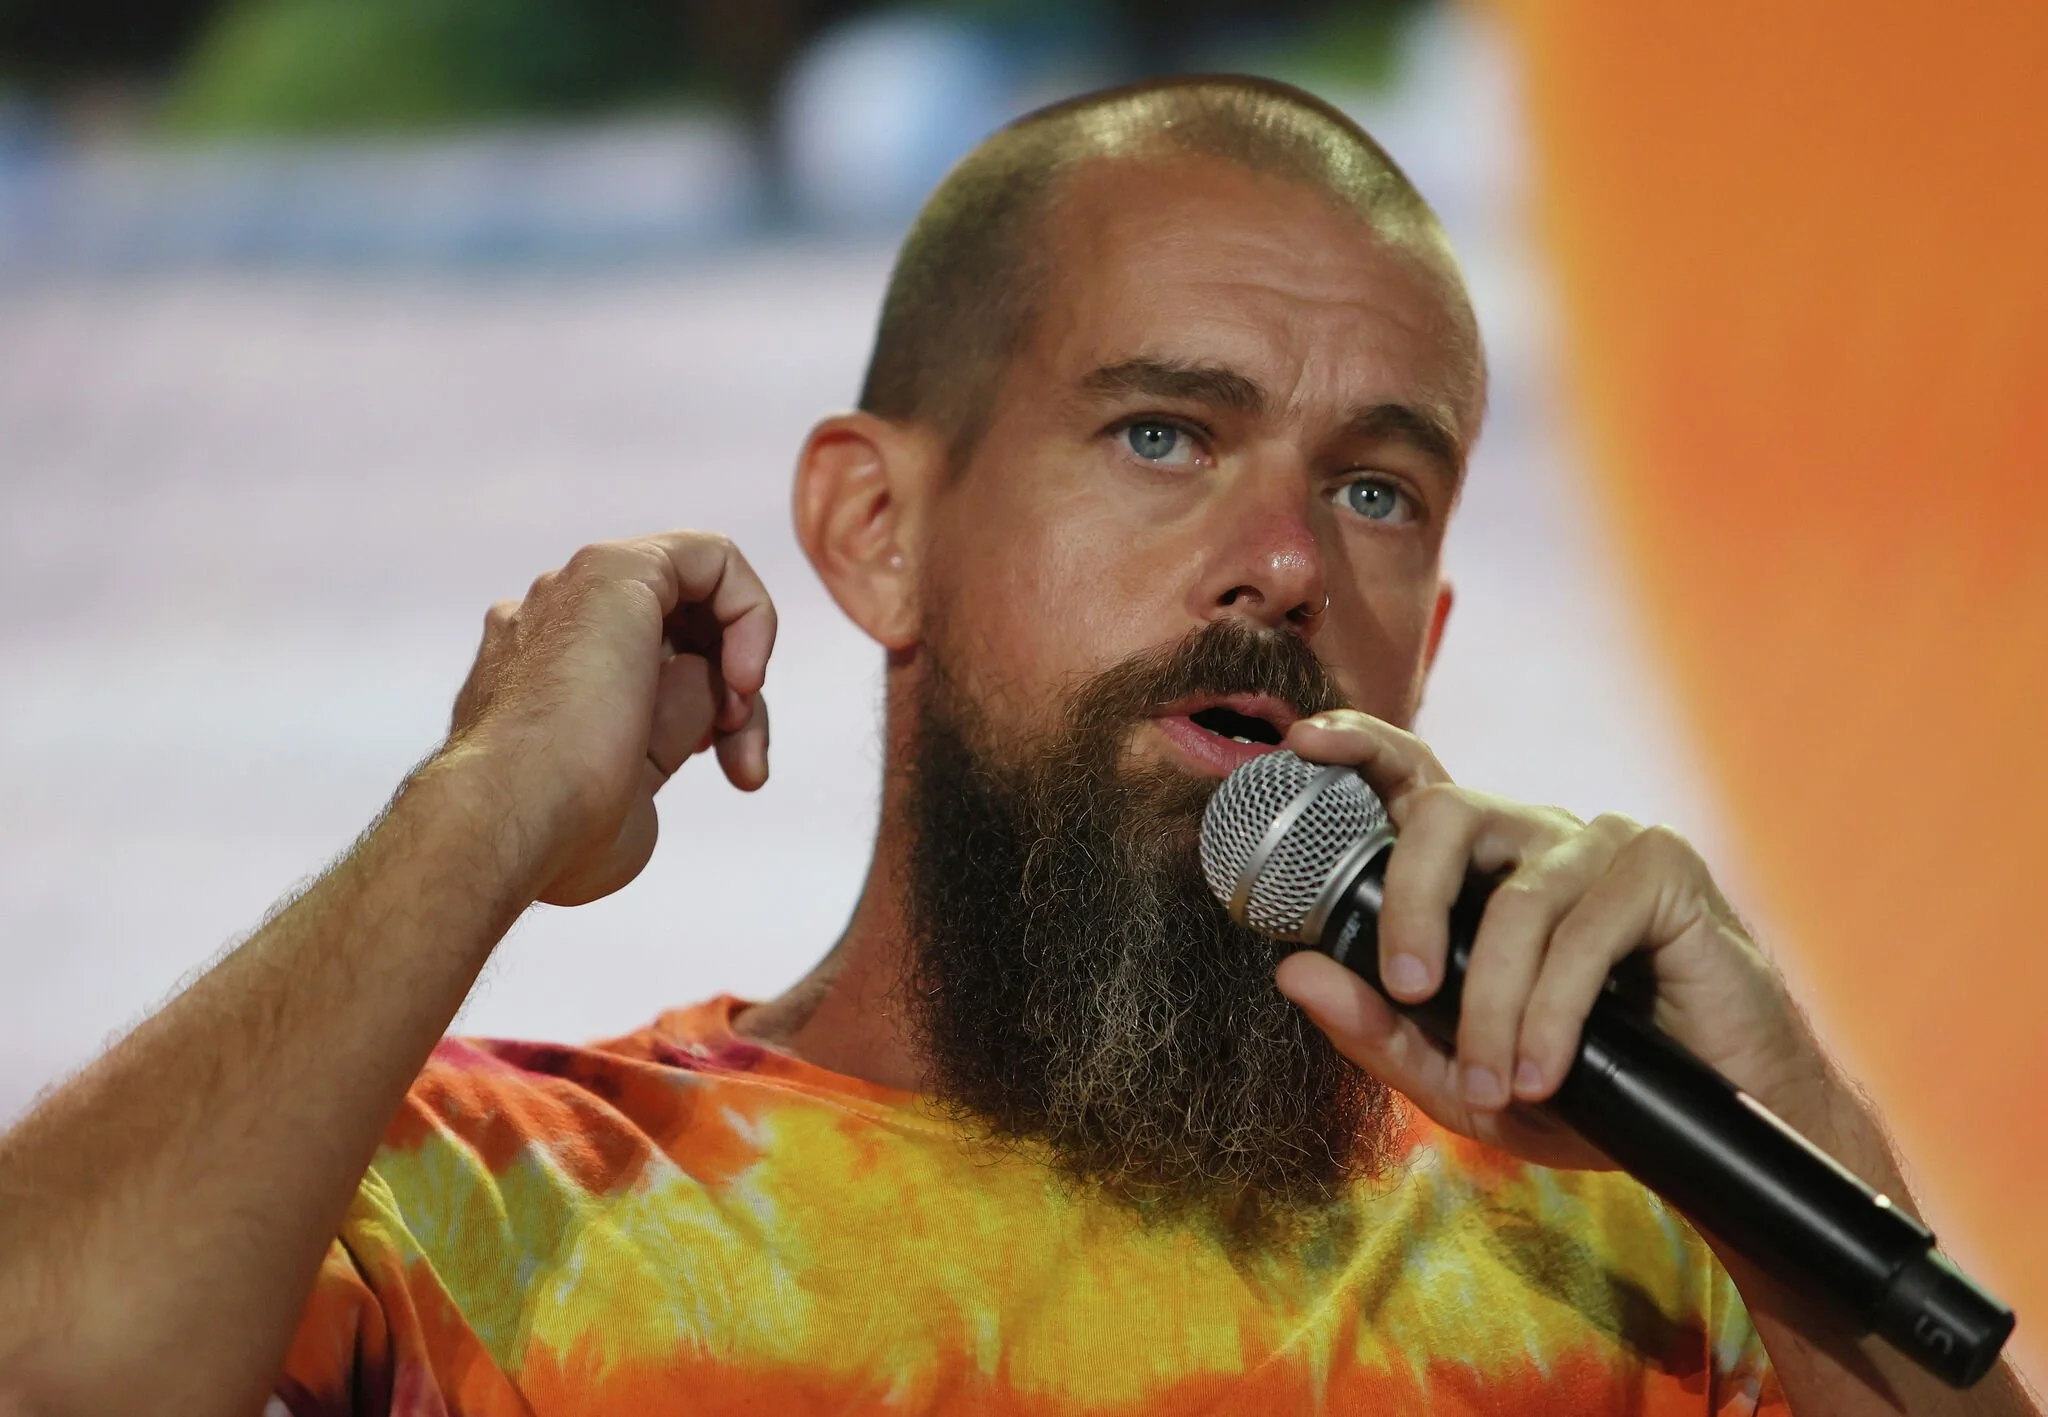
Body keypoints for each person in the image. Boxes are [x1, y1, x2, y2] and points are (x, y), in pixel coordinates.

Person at [0, 76, 2034, 1417]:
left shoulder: (1637, 1259)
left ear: (1434, 636)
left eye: (1380, 491)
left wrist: (1801, 1146)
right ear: (877, 531)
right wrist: (470, 815)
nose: (1276, 562)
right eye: (1163, 433)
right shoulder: (497, 1202)